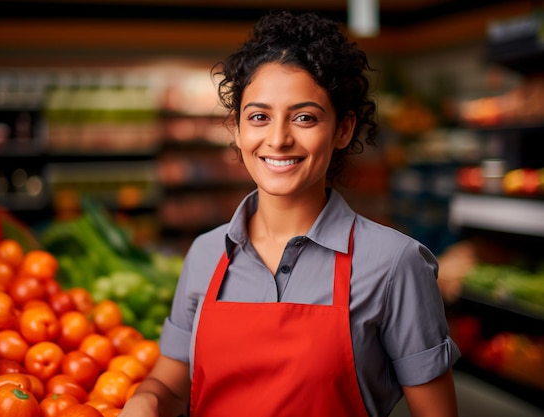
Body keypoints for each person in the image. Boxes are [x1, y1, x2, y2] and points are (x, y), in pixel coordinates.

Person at [119, 10, 460, 417]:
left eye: (304, 117)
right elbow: (171, 385)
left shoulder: (394, 263)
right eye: (259, 117)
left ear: (343, 129)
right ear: (237, 129)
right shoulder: (205, 255)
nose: (278, 140)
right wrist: (145, 399)